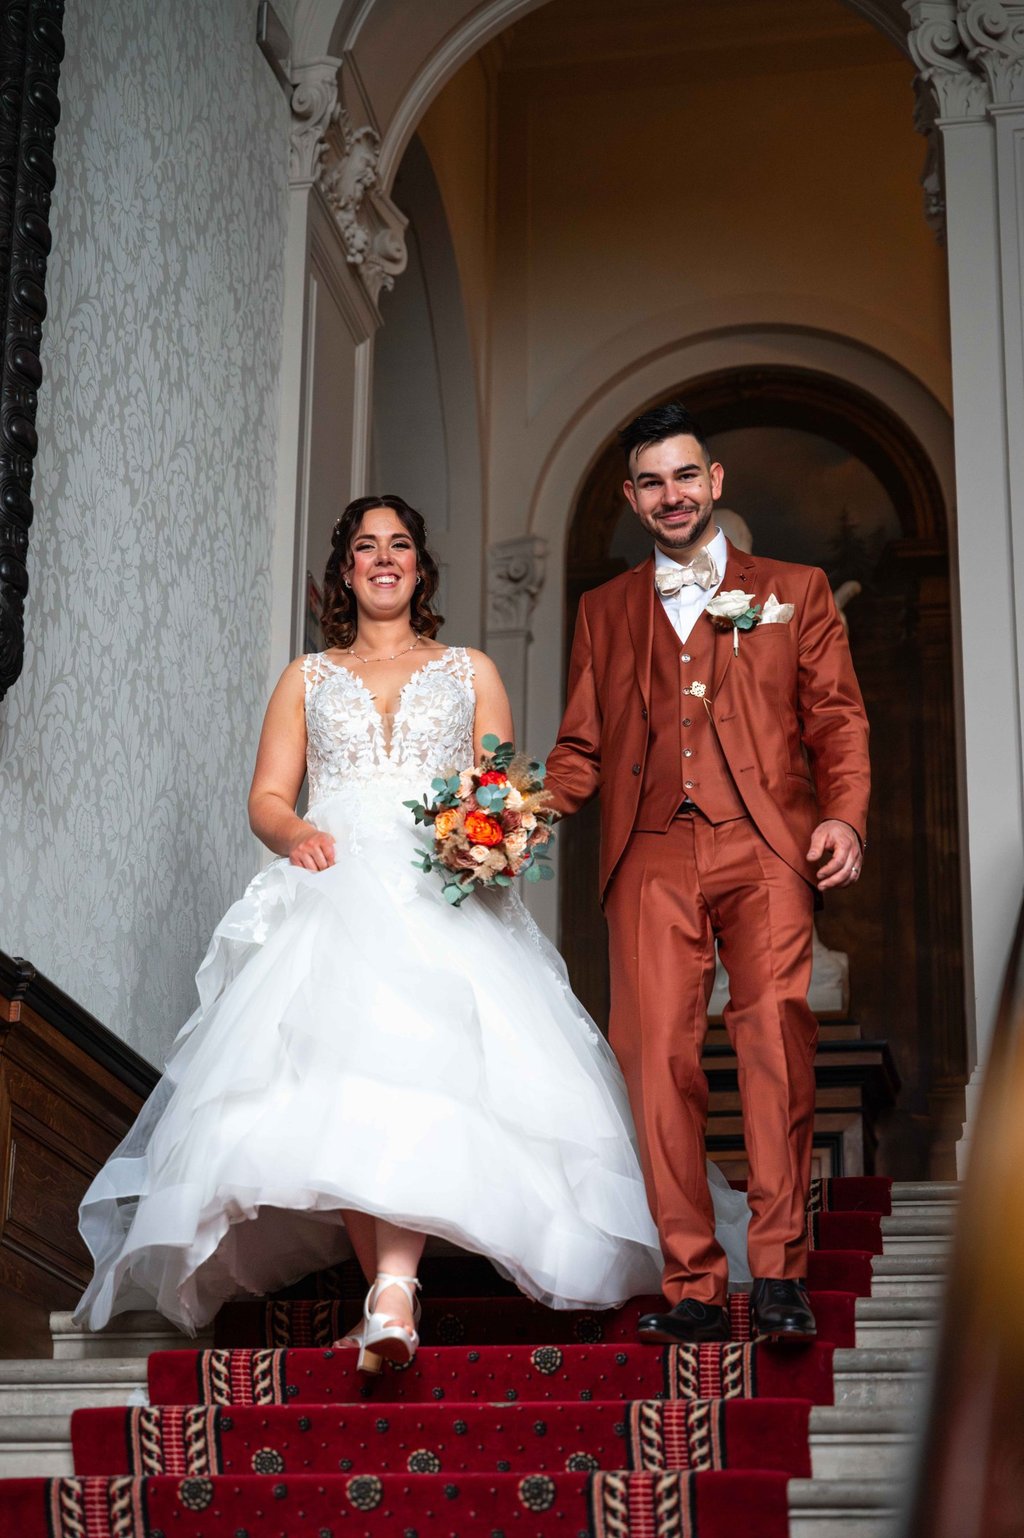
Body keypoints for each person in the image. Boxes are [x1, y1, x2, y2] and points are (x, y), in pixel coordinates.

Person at [73, 494, 750, 1371]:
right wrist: (297, 833)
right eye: (366, 546)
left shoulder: (471, 670)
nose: (384, 558)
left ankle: (390, 1296)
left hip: (442, 897)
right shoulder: (307, 678)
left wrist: (495, 837)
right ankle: (391, 1292)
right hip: (334, 887)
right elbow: (267, 798)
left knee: (409, 1075)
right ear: (345, 570)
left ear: (420, 568)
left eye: (399, 545)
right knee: (348, 1081)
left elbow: (499, 792)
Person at [545, 402, 870, 1347]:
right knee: (655, 1059)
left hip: (766, 842)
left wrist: (843, 815)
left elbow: (837, 718)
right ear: (631, 498)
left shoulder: (794, 590)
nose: (672, 495)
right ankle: (690, 1280)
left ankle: (779, 1273)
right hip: (649, 848)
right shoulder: (604, 610)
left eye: (685, 476)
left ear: (714, 481)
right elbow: (580, 749)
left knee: (775, 1042)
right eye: (652, 483)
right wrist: (510, 814)